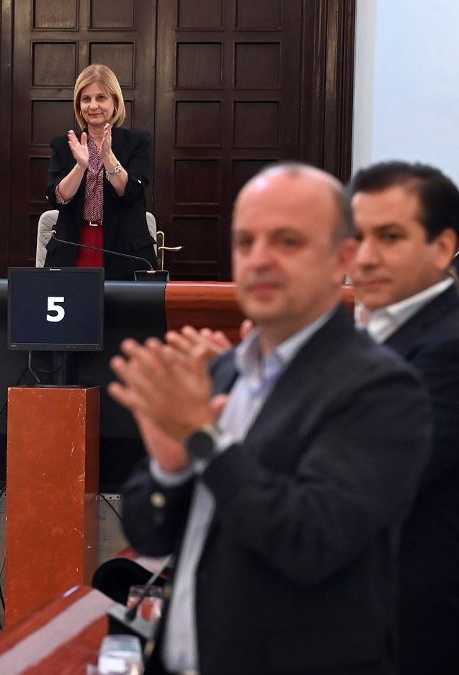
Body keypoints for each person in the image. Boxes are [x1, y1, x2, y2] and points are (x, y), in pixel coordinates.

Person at [108, 163, 430, 674]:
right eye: (246, 242)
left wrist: (204, 441)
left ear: (342, 257)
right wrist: (171, 467)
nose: (260, 260)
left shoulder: (382, 389)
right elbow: (148, 537)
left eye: (287, 242)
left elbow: (309, 541)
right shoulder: (223, 371)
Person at [348, 161, 459, 674]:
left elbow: (366, 483)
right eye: (357, 236)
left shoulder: (449, 345)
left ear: (442, 247)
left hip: (411, 624)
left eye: (389, 237)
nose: (365, 257)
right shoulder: (362, 329)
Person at [44, 64, 157, 279]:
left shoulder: (138, 142)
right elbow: (57, 197)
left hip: (125, 251)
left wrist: (107, 156)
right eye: (86, 99)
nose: (93, 105)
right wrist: (80, 166)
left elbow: (132, 192)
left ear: (115, 102)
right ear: (79, 106)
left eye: (101, 98)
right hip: (74, 248)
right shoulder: (64, 144)